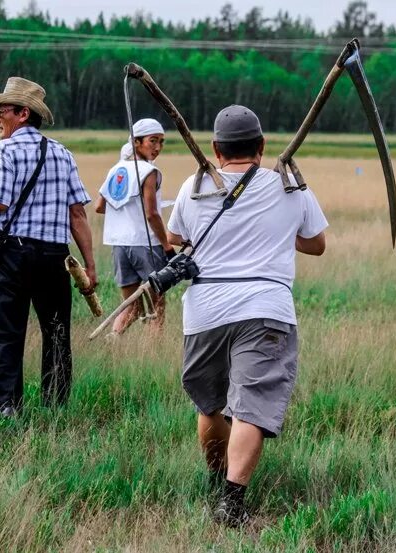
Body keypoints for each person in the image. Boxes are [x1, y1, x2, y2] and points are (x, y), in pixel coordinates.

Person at [166, 105, 328, 526]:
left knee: (211, 405)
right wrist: (272, 231)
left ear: (216, 150)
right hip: (266, 309)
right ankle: (232, 502)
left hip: (205, 312)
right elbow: (316, 244)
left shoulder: (195, 185)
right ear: (261, 146)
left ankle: (218, 483)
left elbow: (175, 239)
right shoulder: (289, 186)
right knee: (252, 407)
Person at [0, 76, 98, 418]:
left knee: (5, 334)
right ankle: (55, 408)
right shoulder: (62, 153)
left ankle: (8, 409)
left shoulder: (3, 149)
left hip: (11, 255)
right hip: (55, 257)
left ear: (23, 114)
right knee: (56, 334)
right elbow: (77, 213)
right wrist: (90, 264)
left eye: (2, 110)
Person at [94, 119, 175, 334]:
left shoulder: (116, 169)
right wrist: (167, 246)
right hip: (145, 242)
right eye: (153, 141)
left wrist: (126, 212)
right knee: (157, 305)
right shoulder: (149, 171)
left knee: (132, 305)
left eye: (161, 142)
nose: (158, 147)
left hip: (119, 244)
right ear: (137, 142)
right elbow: (152, 214)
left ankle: (113, 341)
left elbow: (100, 206)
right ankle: (154, 356)